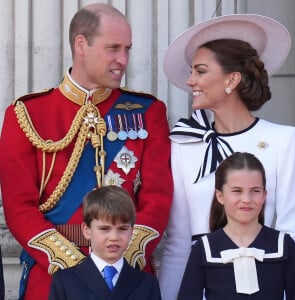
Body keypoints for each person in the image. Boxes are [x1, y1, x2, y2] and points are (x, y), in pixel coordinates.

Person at [0, 3, 172, 299]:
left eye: (127, 49)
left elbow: (157, 199)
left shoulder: (148, 112)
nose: (123, 59)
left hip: (126, 277)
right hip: (54, 275)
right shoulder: (26, 114)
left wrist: (116, 262)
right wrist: (76, 268)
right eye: (113, 48)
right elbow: (18, 207)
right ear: (81, 44)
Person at [159, 14, 295, 300]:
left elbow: (292, 233)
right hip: (204, 286)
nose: (190, 81)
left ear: (232, 79)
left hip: (266, 284)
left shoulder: (284, 140)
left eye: (200, 71)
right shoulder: (184, 145)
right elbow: (178, 244)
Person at [177, 152, 295, 299]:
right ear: (220, 196)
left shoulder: (284, 245)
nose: (246, 199)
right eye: (237, 191)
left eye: (255, 191)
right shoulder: (204, 248)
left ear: (264, 195)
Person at [49, 186, 162, 300]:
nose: (114, 237)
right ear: (86, 230)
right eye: (104, 229)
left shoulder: (147, 284)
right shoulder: (65, 281)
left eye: (122, 229)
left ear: (131, 231)